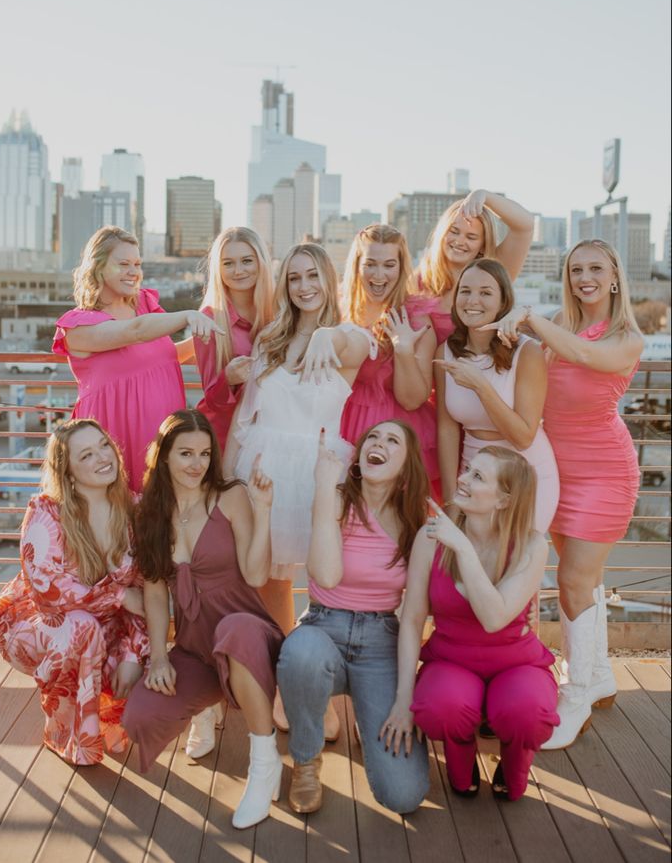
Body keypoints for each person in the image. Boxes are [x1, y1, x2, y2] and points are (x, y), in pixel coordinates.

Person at [483, 239, 643, 748]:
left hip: (605, 473)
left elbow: (583, 355)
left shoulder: (627, 337)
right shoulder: (559, 321)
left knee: (574, 578)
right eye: (576, 270)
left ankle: (575, 695)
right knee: (581, 579)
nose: (584, 278)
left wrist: (529, 319)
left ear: (615, 276)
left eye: (595, 268)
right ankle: (597, 675)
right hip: (556, 471)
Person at [123, 410, 284, 829]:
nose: (197, 464)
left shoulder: (230, 496)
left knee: (233, 631)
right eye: (186, 454)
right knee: (140, 716)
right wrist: (159, 657)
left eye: (205, 454)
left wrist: (263, 511)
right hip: (196, 648)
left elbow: (255, 575)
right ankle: (205, 707)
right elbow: (156, 592)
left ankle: (265, 763)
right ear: (163, 457)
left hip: (248, 634)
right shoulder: (150, 514)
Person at [385, 447, 559, 801]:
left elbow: (494, 618)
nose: (461, 479)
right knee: (438, 708)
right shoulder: (429, 537)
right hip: (451, 660)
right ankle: (459, 757)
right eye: (467, 470)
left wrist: (463, 549)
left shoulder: (531, 545)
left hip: (517, 662)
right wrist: (403, 699)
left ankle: (516, 761)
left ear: (504, 500)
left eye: (477, 477)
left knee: (527, 713)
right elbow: (412, 619)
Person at [276, 422, 430, 816]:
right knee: (300, 656)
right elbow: (325, 576)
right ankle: (306, 759)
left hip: (381, 641)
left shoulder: (417, 519)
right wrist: (326, 486)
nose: (378, 444)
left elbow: (414, 617)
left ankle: (369, 714)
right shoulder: (337, 498)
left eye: (392, 440)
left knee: (404, 795)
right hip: (323, 627)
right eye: (372, 439)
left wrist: (404, 701)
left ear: (407, 463)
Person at [224, 242, 371, 635]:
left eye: (312, 275)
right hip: (261, 468)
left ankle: (318, 670)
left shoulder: (350, 337)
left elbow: (350, 345)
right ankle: (278, 666)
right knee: (271, 581)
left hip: (316, 471)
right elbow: (244, 414)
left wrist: (326, 334)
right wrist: (224, 480)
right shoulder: (270, 337)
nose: (304, 286)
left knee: (327, 579)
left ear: (328, 279)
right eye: (294, 277)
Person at [0, 419, 148, 766]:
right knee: (79, 627)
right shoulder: (46, 511)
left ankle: (99, 713)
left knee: (138, 666)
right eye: (86, 455)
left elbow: (147, 590)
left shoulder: (135, 510)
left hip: (105, 628)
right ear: (69, 473)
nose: (103, 457)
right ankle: (66, 733)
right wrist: (118, 597)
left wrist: (134, 656)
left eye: (104, 446)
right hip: (37, 625)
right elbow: (49, 592)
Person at [53, 226, 220, 491]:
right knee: (121, 514)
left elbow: (162, 357)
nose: (134, 271)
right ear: (98, 266)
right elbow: (136, 332)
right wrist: (189, 315)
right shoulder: (79, 326)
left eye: (137, 264)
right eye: (123, 264)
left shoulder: (143, 304)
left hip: (164, 428)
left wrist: (205, 338)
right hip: (117, 432)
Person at [434, 259, 559, 533]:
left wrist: (481, 386)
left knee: (514, 566)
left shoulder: (527, 352)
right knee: (472, 566)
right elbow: (446, 429)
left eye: (486, 293)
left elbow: (523, 437)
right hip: (473, 473)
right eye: (465, 291)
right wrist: (451, 498)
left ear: (503, 301)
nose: (472, 300)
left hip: (524, 475)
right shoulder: (445, 351)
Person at [336, 224, 438, 489]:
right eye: (370, 264)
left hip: (393, 428)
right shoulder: (337, 311)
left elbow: (413, 399)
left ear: (402, 266)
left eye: (389, 265)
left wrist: (402, 349)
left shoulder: (416, 317)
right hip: (338, 422)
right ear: (357, 265)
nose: (379, 275)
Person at [193, 226, 274, 455]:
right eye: (228, 263)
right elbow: (211, 397)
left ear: (261, 262)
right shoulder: (210, 319)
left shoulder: (279, 311)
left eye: (247, 261)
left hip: (270, 430)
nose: (238, 271)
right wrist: (227, 378)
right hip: (225, 434)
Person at [416, 190, 535, 345]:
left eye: (471, 237)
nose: (459, 241)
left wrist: (484, 195)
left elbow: (525, 225)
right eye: (454, 231)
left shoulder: (493, 272)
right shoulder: (422, 277)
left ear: (482, 245)